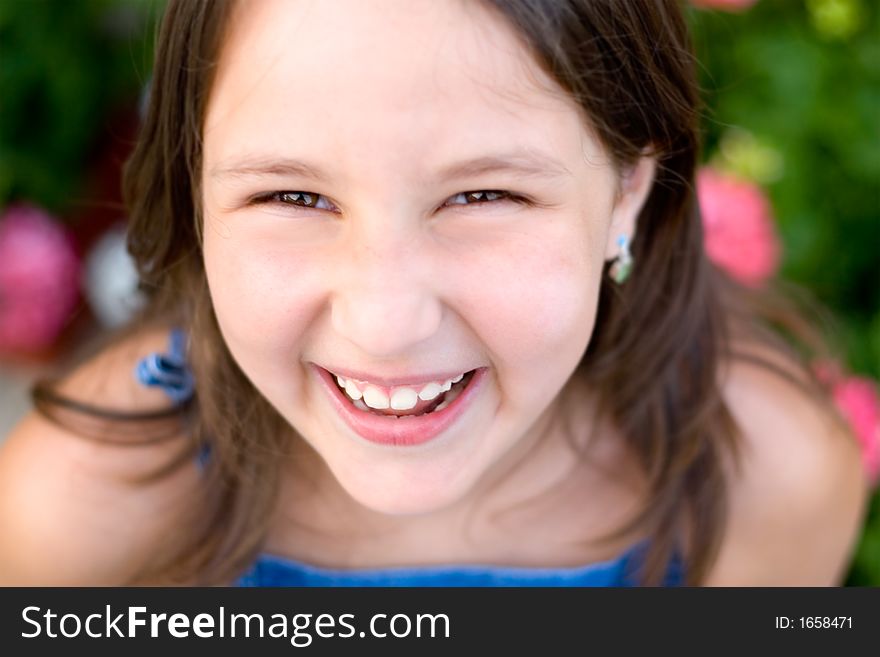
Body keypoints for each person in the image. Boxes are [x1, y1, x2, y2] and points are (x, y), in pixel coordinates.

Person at [0, 0, 868, 587]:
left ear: (628, 194)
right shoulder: (79, 514)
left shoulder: (768, 473)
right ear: (195, 193)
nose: (384, 323)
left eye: (484, 196)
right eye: (292, 196)